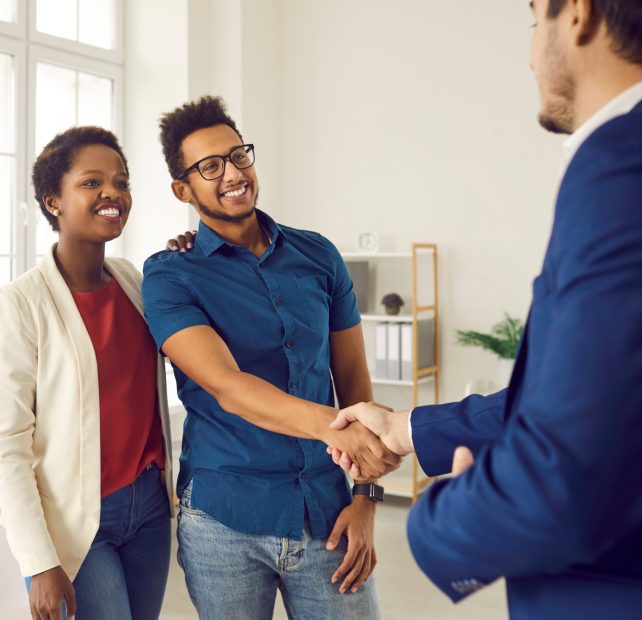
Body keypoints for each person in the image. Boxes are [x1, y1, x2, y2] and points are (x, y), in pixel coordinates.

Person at [330, 1, 642, 617]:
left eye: (534, 22)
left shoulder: (617, 169)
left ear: (576, 15)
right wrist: (405, 428)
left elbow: (562, 487)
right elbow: (590, 398)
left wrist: (437, 521)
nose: (530, 55)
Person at [142, 95, 398, 620]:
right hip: (223, 521)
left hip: (327, 513)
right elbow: (228, 387)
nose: (232, 173)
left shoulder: (318, 254)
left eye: (239, 156)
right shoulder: (170, 274)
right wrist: (336, 428)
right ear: (182, 190)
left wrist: (366, 497)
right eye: (209, 166)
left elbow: (353, 380)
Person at [0, 126, 175, 620]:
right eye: (92, 182)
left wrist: (190, 259)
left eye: (121, 181)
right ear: (54, 202)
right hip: (76, 523)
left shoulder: (135, 280)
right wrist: (39, 561)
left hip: (149, 508)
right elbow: (5, 444)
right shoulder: (18, 304)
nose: (112, 192)